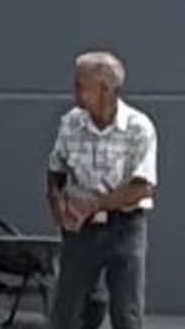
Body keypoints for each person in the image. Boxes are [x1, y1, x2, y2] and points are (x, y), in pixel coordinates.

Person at [47, 51, 157, 329]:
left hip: (126, 228)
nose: (74, 90)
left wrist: (92, 205)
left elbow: (142, 188)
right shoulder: (70, 123)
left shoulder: (138, 128)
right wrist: (57, 204)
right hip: (80, 231)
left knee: (126, 314)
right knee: (67, 313)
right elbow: (56, 170)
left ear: (105, 91)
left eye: (80, 85)